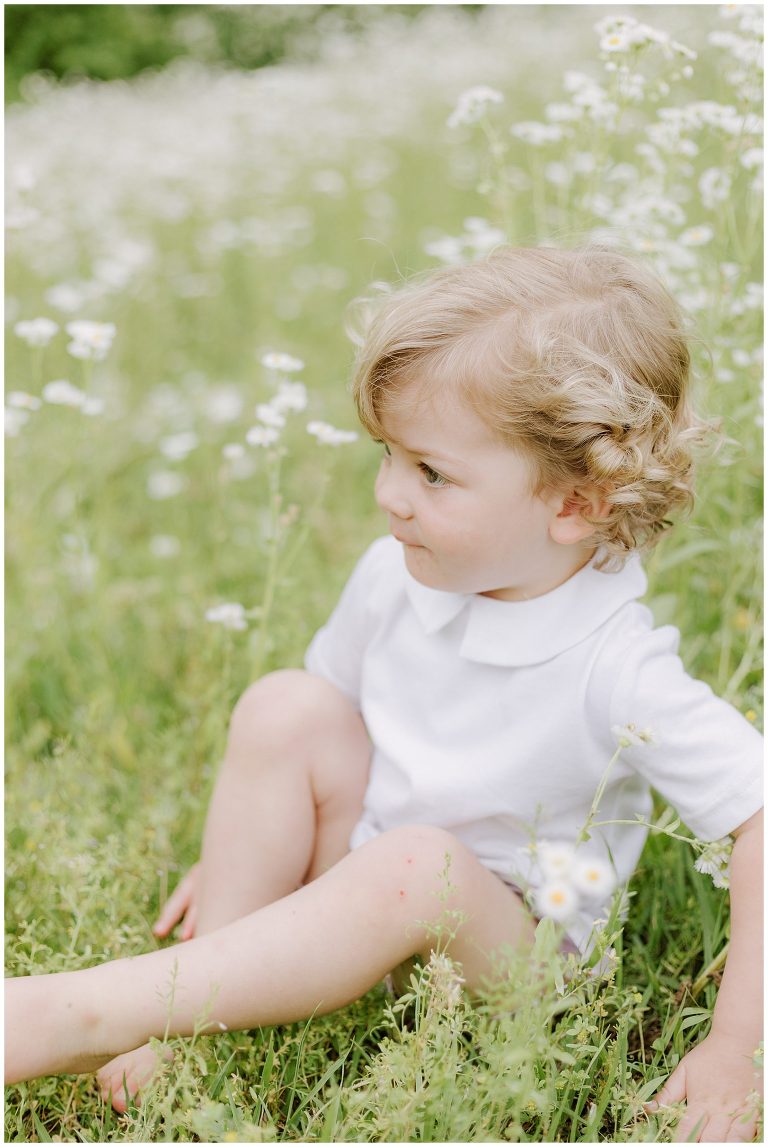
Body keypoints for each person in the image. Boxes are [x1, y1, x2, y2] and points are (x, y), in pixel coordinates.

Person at [5, 246, 762, 1142]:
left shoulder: (617, 666)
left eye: (431, 473)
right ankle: (209, 997)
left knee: (420, 864)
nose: (388, 496)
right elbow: (322, 731)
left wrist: (739, 1045)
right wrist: (251, 848)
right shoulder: (395, 572)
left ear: (576, 501)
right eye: (388, 456)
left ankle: (89, 1012)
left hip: (508, 959)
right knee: (287, 703)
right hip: (367, 875)